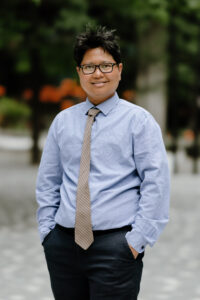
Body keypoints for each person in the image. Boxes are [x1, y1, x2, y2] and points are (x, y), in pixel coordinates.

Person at [36, 25, 170, 300]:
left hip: (116, 247)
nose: (98, 73)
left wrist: (136, 242)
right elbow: (48, 180)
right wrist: (47, 233)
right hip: (63, 245)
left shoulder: (139, 121)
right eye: (89, 67)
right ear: (79, 73)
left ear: (119, 69)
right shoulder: (63, 121)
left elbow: (156, 183)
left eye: (106, 65)